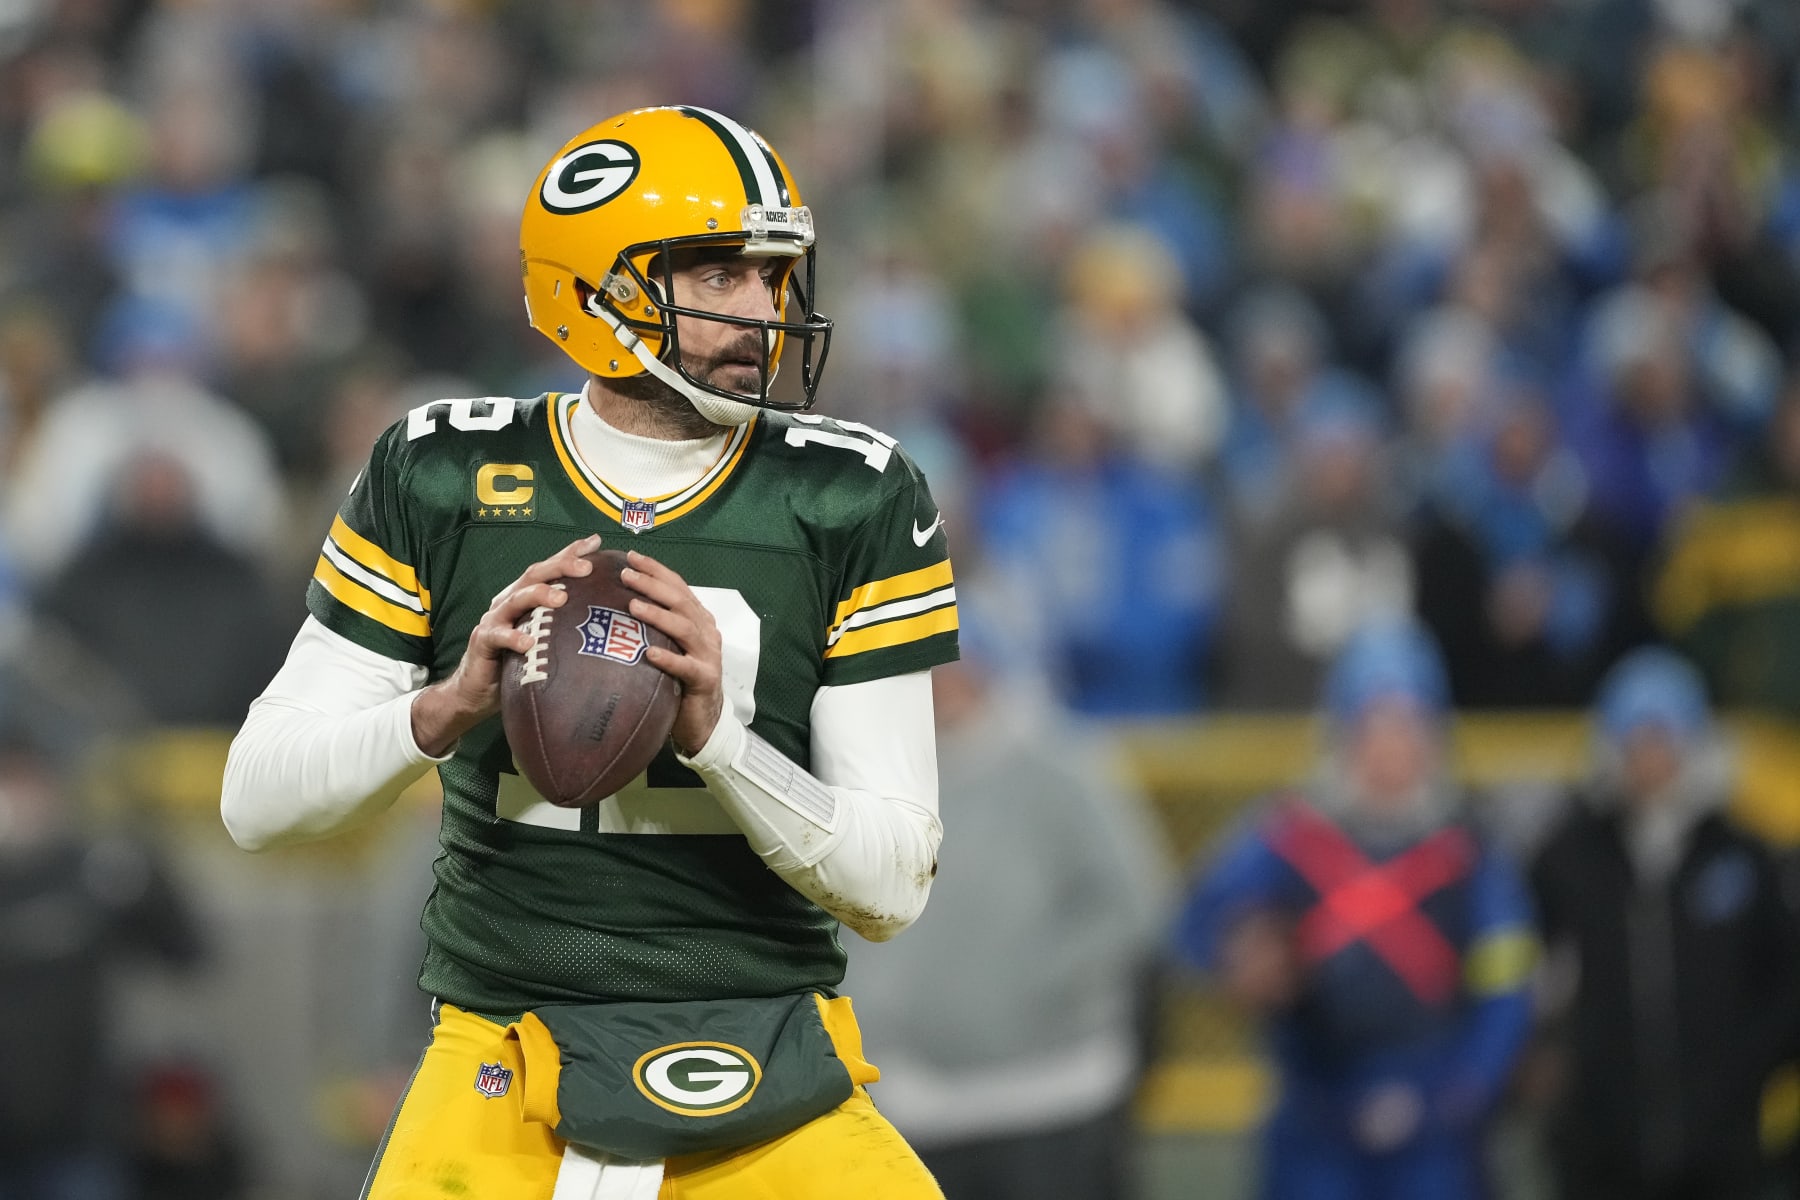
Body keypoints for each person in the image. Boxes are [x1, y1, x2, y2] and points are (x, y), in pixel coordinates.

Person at [221, 105, 959, 1199]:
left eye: (772, 275)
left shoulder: (848, 493)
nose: (763, 310)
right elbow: (255, 804)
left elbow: (892, 885)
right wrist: (442, 708)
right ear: (592, 289)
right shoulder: (445, 471)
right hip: (502, 1047)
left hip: (770, 1042)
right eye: (717, 275)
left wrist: (723, 743)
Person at [1174, 620, 1538, 1200]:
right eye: (1374, 725)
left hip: (1436, 1122)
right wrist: (1233, 954)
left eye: (1408, 726)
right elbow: (1192, 923)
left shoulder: (1469, 848)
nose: (1391, 747)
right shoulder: (1290, 834)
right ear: (1343, 732)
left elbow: (1509, 985)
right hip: (1316, 1109)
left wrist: (1466, 1088)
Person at [841, 635, 1174, 1200]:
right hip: (915, 1105)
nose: (936, 683)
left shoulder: (1061, 764)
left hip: (1051, 1097)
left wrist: (1025, 991)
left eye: (948, 663)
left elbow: (1132, 906)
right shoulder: (868, 775)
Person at [1529, 647, 1800, 1200]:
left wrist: (1745, 1070)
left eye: (1665, 738)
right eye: (1636, 740)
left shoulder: (1745, 858)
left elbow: (1787, 980)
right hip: (1601, 1148)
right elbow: (1527, 968)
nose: (1651, 758)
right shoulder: (1568, 859)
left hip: (1722, 1146)